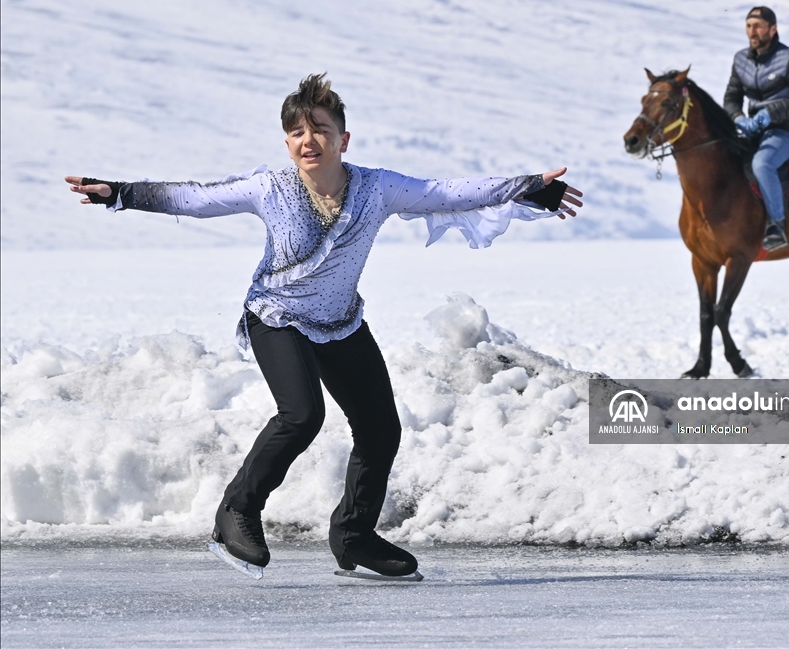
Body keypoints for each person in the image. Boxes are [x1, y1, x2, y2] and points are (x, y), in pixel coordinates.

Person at [66, 73, 582, 578]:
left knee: (381, 428)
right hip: (276, 316)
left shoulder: (378, 188)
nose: (307, 141)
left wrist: (526, 188)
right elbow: (195, 199)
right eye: (296, 132)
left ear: (343, 139)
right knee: (301, 415)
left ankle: (353, 536)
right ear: (287, 141)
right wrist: (121, 192)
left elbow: (445, 191)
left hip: (338, 320)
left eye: (319, 131)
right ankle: (236, 512)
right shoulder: (270, 188)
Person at [723, 6, 789, 251]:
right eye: (748, 26)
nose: (752, 31)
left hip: (786, 133)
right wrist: (737, 118)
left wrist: (772, 113)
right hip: (752, 132)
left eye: (758, 26)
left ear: (773, 29)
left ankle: (776, 225)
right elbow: (731, 99)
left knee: (762, 165)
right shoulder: (740, 59)